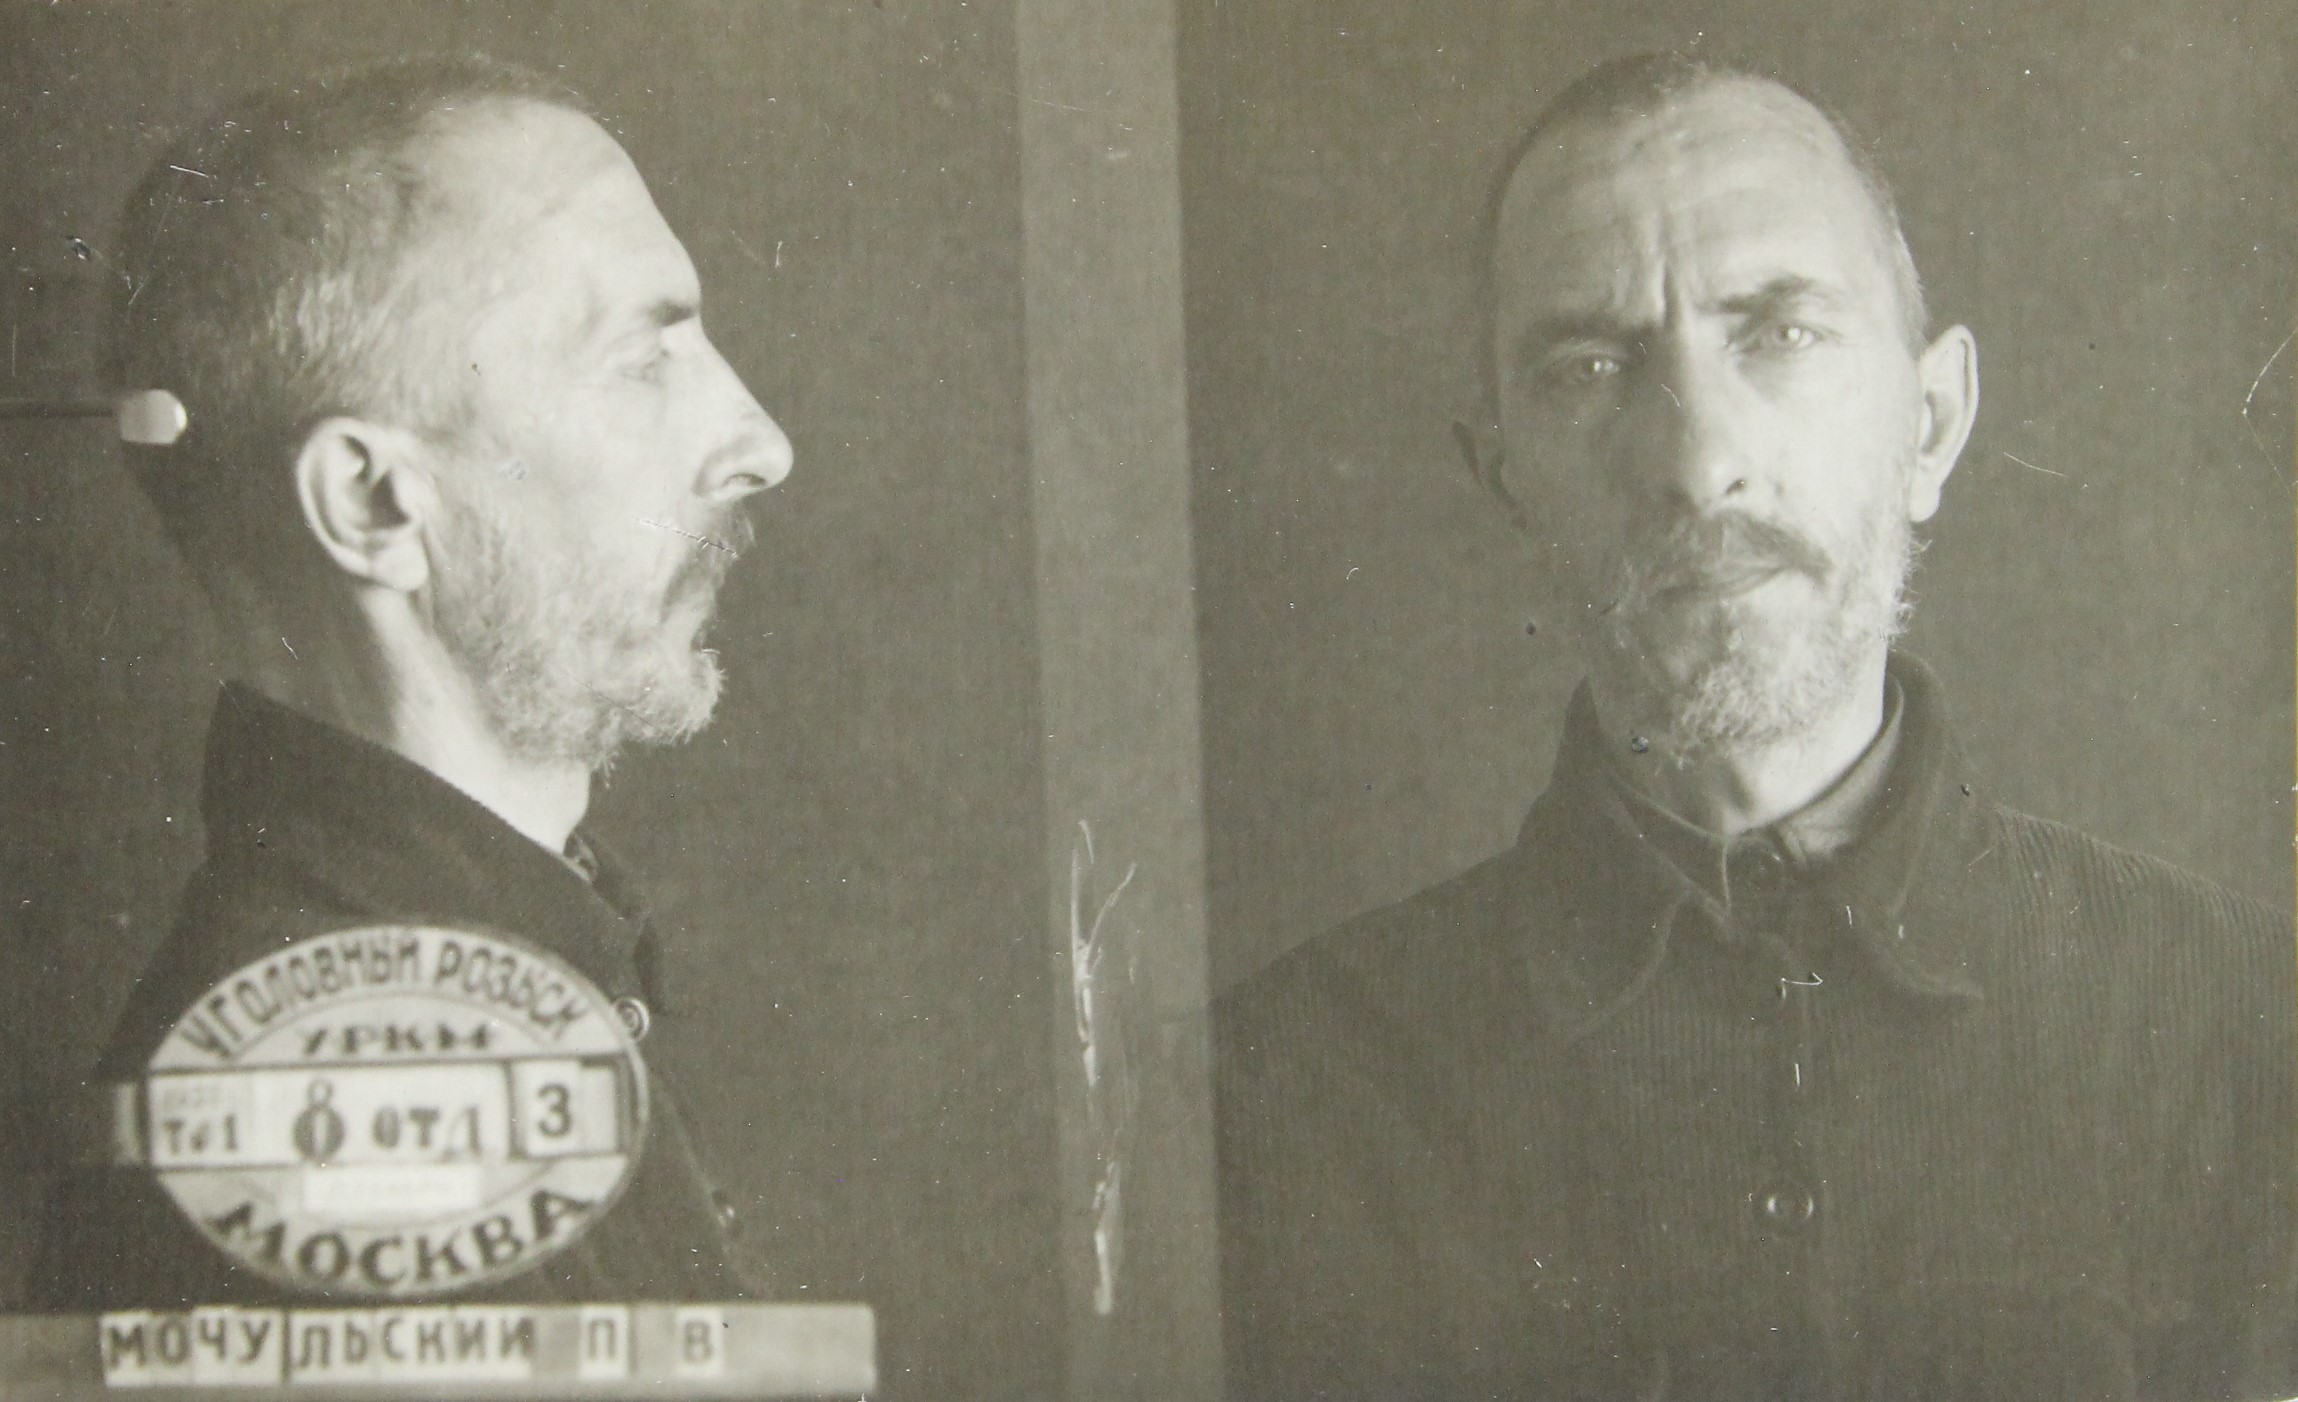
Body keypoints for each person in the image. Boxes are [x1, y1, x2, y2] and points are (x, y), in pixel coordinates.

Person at [1215, 52, 2296, 1401]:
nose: (1696, 462)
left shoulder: (2251, 1026)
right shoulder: (1282, 1091)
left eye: (1779, 334)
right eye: (1590, 367)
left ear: (1931, 423)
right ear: (1504, 476)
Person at [34, 55, 795, 1309]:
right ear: (375, 504)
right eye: (643, 359)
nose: (760, 443)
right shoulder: (339, 1133)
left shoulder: (475, 997)